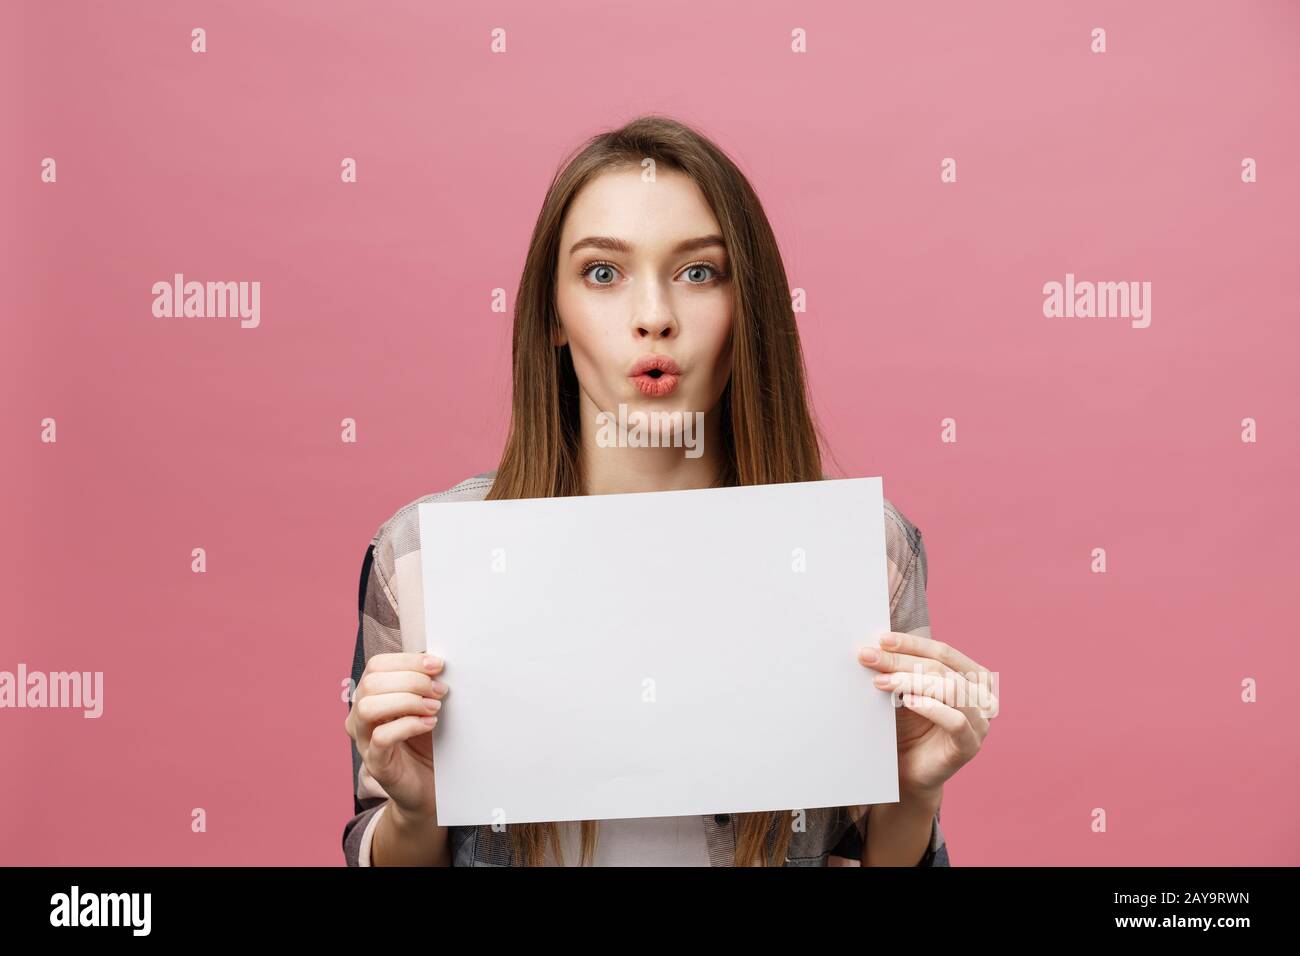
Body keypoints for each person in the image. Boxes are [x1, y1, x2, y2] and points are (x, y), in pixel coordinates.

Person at [342, 114, 994, 867]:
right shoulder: (422, 557)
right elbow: (379, 841)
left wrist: (913, 798)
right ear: (553, 315)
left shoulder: (866, 554)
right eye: (602, 273)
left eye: (698, 272)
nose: (654, 318)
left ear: (746, 305)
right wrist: (414, 813)